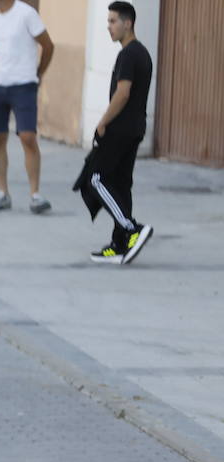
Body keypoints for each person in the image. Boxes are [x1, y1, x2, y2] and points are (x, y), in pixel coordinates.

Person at [86, 2, 153, 265]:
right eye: (107, 22)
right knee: (121, 184)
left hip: (121, 129)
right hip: (135, 128)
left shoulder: (129, 54)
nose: (109, 27)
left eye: (113, 21)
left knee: (95, 178)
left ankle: (131, 228)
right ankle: (119, 244)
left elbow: (122, 93)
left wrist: (102, 122)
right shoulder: (142, 53)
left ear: (128, 23)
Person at [0, 0, 55, 214]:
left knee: (27, 137)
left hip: (24, 84)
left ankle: (35, 194)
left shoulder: (26, 14)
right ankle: (2, 192)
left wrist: (39, 72)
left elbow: (48, 45)